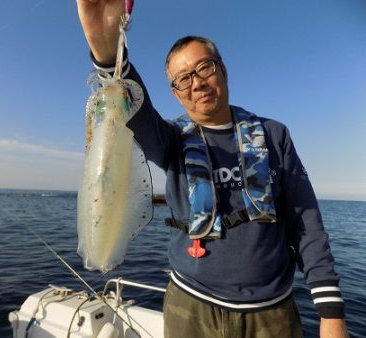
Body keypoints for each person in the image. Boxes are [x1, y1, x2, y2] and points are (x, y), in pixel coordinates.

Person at [76, 1, 349, 337]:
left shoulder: (274, 135)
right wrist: (107, 51)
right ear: (176, 95)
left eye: (205, 68)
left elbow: (306, 224)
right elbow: (136, 108)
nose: (197, 83)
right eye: (183, 79)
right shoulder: (171, 140)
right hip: (188, 306)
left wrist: (331, 312)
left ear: (223, 70)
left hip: (270, 312)